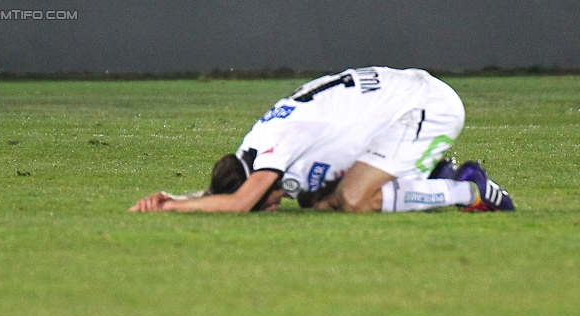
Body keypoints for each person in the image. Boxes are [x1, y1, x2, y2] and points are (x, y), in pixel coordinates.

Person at [130, 66, 515, 213]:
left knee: (352, 200)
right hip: (400, 104)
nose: (271, 208)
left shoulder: (277, 143)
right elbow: (241, 192)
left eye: (266, 205)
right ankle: (428, 171)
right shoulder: (256, 145)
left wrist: (171, 209)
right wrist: (181, 196)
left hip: (427, 108)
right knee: (320, 203)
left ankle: (467, 189)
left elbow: (238, 201)